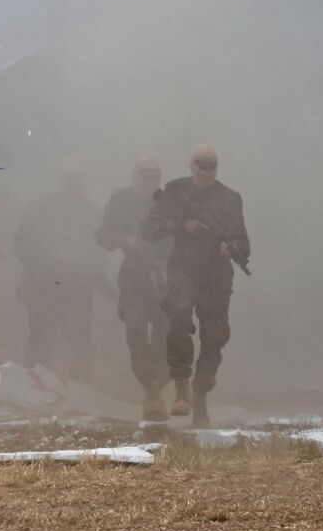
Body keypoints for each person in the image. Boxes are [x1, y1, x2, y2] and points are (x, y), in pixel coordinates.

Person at [144, 145, 249, 427]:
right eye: (201, 165)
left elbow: (242, 242)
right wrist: (182, 226)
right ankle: (181, 386)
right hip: (183, 270)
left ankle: (200, 394)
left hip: (215, 276)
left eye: (211, 165)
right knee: (178, 317)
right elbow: (150, 229)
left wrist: (232, 247)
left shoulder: (229, 199)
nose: (206, 171)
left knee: (215, 338)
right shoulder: (175, 192)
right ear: (191, 165)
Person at [14, 162, 105, 382]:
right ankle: (33, 382)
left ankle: (82, 387)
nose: (72, 185)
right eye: (68, 180)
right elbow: (20, 245)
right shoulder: (38, 209)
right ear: (61, 181)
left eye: (77, 181)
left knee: (80, 339)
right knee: (40, 338)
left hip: (78, 288)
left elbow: (102, 249)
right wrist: (44, 262)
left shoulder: (93, 212)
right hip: (42, 285)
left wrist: (92, 266)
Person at [97, 157, 171, 421]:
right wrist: (123, 239)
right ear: (134, 175)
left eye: (154, 174)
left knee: (166, 336)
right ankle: (150, 390)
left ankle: (158, 384)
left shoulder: (168, 202)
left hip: (163, 278)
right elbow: (104, 237)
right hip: (134, 278)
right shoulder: (120, 200)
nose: (149, 179)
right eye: (144, 174)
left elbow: (181, 239)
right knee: (136, 328)